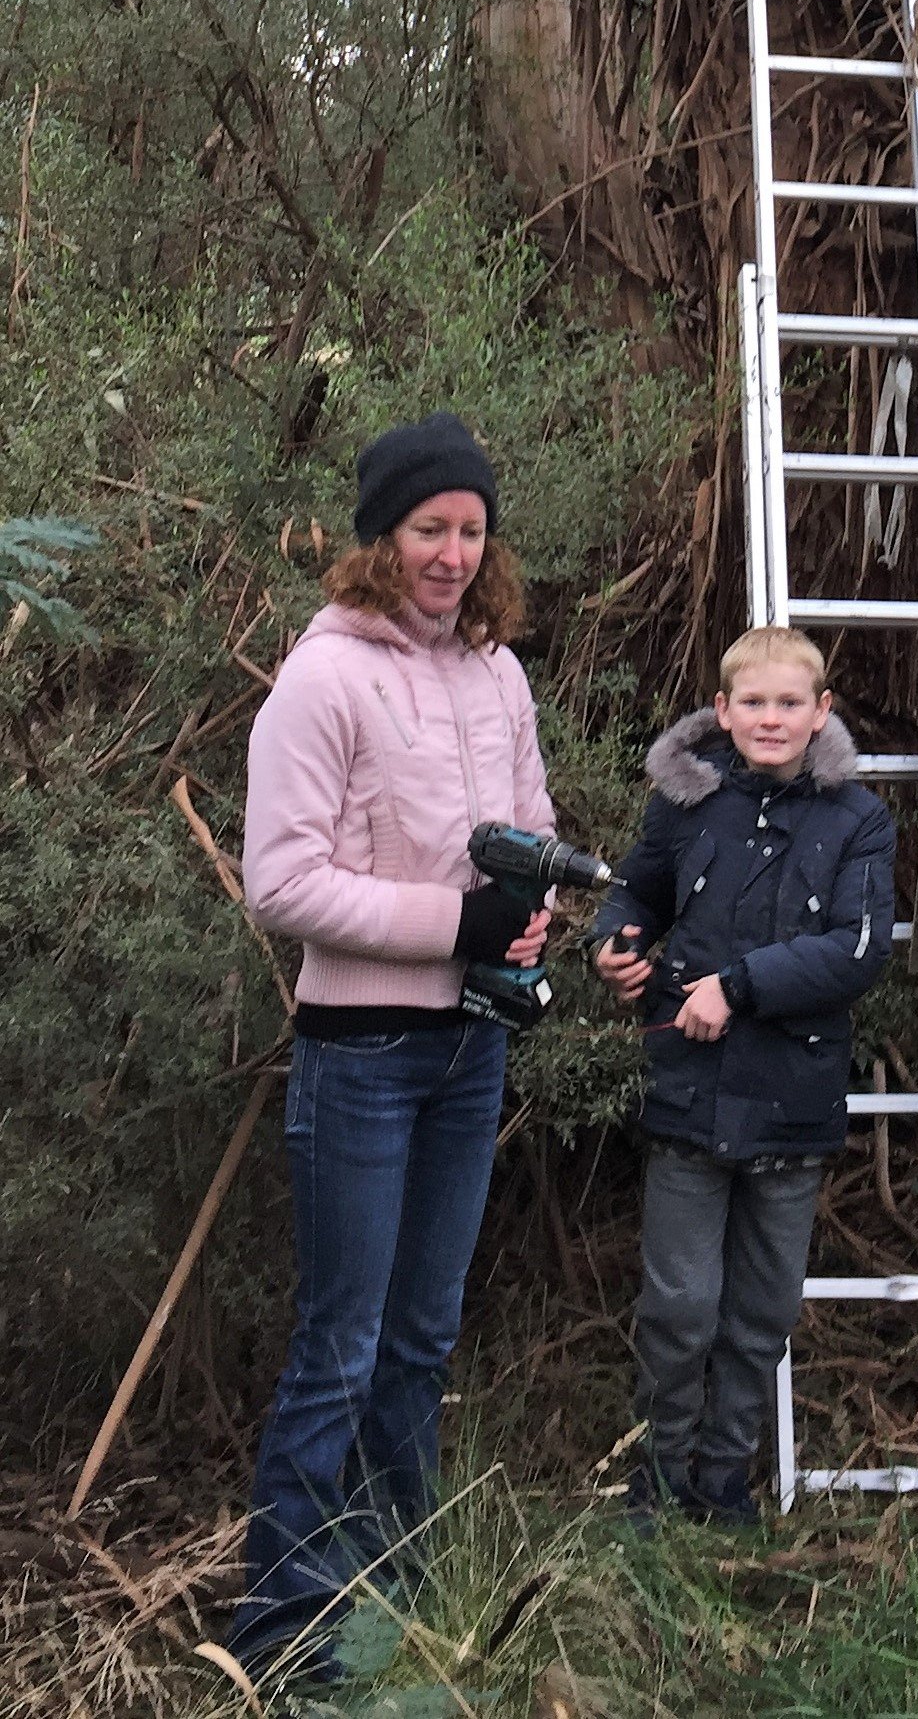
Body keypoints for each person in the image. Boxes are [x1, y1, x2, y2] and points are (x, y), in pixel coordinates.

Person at [227, 412, 554, 1686]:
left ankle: (390, 1596)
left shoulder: (498, 673)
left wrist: (527, 921)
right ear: (383, 536)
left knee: (422, 1340)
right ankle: (285, 1634)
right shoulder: (323, 678)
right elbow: (281, 882)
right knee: (342, 1343)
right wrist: (449, 924)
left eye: (472, 530)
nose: (455, 554)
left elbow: (530, 824)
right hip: (361, 1053)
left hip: (473, 1051)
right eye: (431, 529)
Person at [593, 624, 895, 1524]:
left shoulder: (858, 820)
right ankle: (653, 1480)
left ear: (820, 713)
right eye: (753, 703)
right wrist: (612, 943)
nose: (771, 719)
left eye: (790, 703)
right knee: (680, 1307)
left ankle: (726, 1485)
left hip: (790, 1104)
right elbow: (635, 895)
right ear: (721, 713)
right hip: (687, 1094)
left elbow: (857, 948)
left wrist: (738, 985)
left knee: (760, 1314)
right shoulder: (683, 806)